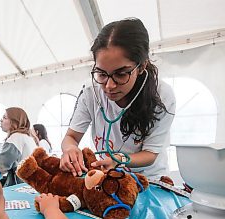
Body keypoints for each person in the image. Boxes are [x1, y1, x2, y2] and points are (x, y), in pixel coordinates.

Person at [60, 18, 176, 180]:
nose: (109, 86)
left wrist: (119, 160)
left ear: (141, 66)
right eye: (101, 73)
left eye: (121, 74)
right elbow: (71, 137)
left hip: (149, 180)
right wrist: (70, 149)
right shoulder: (90, 92)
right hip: (110, 177)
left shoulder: (162, 95)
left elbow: (150, 154)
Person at [0, 107, 38, 187]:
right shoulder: (27, 137)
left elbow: (2, 166)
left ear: (15, 122)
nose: (1, 120)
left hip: (22, 186)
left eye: (4, 118)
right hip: (33, 184)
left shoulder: (15, 138)